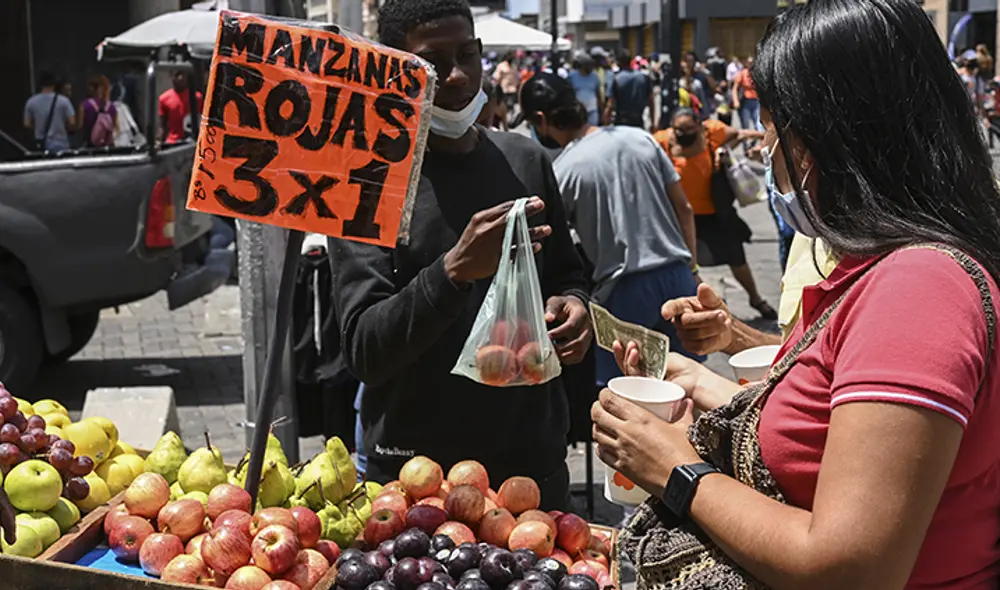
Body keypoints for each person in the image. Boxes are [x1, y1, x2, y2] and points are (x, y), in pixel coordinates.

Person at [595, 2, 1000, 588]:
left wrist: (675, 470)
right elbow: (837, 422)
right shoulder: (885, 269)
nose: (764, 147)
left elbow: (852, 568)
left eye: (770, 121)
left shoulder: (918, 288)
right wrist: (700, 387)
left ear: (827, 137)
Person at [330, 0, 592, 511]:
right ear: (398, 68)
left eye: (468, 54)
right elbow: (365, 350)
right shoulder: (367, 181)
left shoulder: (526, 161)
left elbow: (568, 275)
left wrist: (575, 308)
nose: (457, 76)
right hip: (418, 479)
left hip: (530, 470)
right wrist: (451, 272)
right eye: (433, 61)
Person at [520, 73, 702, 387]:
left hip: (622, 292)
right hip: (678, 277)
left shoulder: (564, 170)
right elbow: (684, 208)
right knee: (691, 384)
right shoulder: (640, 137)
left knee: (623, 395)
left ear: (540, 120)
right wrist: (693, 267)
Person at [653, 109, 776, 319]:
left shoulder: (713, 133)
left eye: (689, 129)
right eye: (679, 130)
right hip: (679, 218)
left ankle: (755, 298)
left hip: (713, 213)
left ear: (700, 126)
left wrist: (763, 138)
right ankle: (690, 305)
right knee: (683, 264)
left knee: (736, 257)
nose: (683, 134)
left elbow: (738, 135)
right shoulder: (661, 142)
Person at [23, 72, 76, 152]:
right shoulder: (64, 101)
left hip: (41, 145)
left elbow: (26, 124)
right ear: (54, 85)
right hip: (61, 144)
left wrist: (37, 128)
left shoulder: (31, 102)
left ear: (41, 85)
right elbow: (72, 123)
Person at [603, 49, 654, 130]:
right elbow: (651, 101)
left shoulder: (616, 79)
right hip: (639, 122)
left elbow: (610, 104)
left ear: (618, 62)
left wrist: (605, 125)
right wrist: (653, 122)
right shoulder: (644, 77)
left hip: (621, 123)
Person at [159, 71, 202, 144]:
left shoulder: (196, 97)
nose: (180, 78)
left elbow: (202, 121)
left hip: (191, 141)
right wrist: (159, 141)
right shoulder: (164, 98)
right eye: (177, 75)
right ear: (171, 76)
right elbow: (163, 125)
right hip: (172, 142)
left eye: (183, 74)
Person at [79, 75, 118, 148]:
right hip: (107, 147)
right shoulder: (112, 107)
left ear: (93, 88)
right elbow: (114, 128)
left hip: (90, 146)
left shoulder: (85, 104)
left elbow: (79, 125)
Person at [567, 53, 602, 126]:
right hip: (578, 112)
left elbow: (598, 94)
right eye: (588, 65)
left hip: (592, 111)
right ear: (582, 65)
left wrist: (601, 110)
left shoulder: (594, 76)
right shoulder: (572, 76)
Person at [732, 55, 761, 132]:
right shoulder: (743, 73)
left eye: (752, 63)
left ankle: (757, 141)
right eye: (749, 63)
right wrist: (736, 101)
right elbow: (735, 88)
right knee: (745, 125)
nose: (751, 64)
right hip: (745, 102)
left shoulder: (758, 73)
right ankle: (746, 143)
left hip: (756, 101)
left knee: (758, 124)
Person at [493, 52, 521, 118]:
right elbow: (496, 77)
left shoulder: (514, 67)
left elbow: (517, 77)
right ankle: (504, 118)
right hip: (503, 90)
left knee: (511, 105)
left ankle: (509, 118)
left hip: (512, 90)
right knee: (504, 105)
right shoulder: (501, 66)